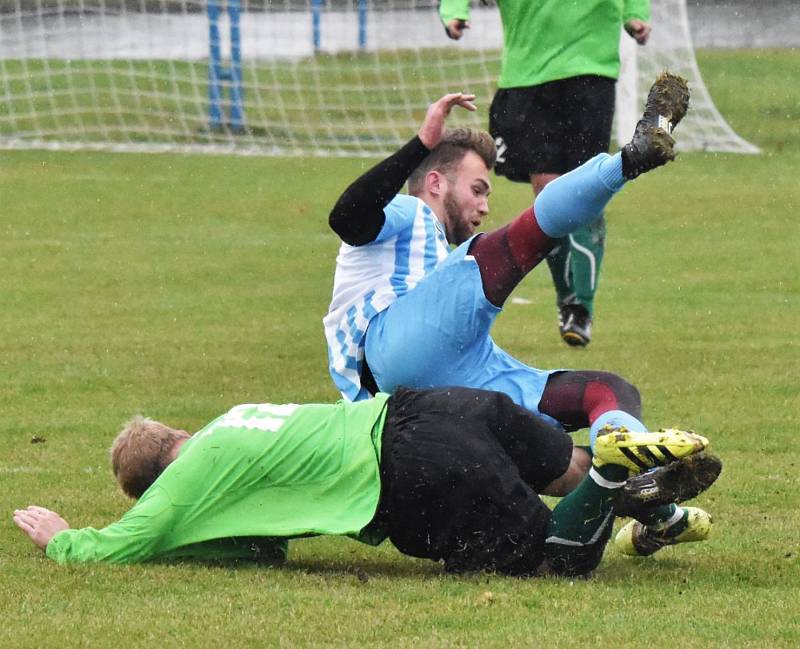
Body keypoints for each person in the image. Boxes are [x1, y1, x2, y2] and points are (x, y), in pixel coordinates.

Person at [323, 74, 690, 500]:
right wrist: (422, 144)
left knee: (606, 392)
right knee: (517, 240)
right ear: (437, 183)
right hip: (390, 357)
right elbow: (346, 218)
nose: (483, 206)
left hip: (433, 393)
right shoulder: (409, 211)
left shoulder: (439, 263)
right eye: (478, 189)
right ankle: (630, 159)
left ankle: (647, 496)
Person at [13, 387, 719, 573]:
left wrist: (63, 538)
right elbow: (265, 543)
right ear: (174, 431)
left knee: (553, 559)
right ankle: (643, 498)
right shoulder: (234, 418)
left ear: (153, 475)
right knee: (557, 465)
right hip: (430, 404)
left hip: (409, 467)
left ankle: (611, 470)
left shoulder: (181, 483)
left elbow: (130, 540)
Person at [439, 0, 653, 347]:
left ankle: (580, 306)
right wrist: (453, 11)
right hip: (529, 72)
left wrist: (636, 14)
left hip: (590, 67)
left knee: (587, 188)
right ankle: (568, 297)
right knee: (549, 190)